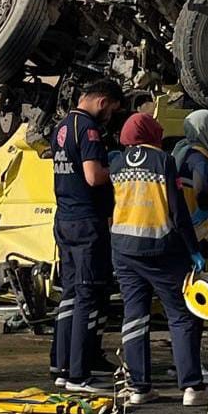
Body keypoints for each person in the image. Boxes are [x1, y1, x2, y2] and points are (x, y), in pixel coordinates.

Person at [111, 112, 208, 406]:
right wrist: (193, 250)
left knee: (134, 317)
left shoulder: (115, 163)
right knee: (180, 315)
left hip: (124, 251)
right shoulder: (164, 161)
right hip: (162, 250)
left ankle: (139, 387)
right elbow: (178, 212)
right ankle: (191, 387)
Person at [49, 78, 124, 394]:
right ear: (103, 101)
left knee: (69, 294)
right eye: (112, 110)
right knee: (88, 295)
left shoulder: (62, 126)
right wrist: (118, 169)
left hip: (64, 218)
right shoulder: (89, 130)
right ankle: (79, 376)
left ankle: (61, 365)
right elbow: (94, 176)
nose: (110, 117)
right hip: (86, 223)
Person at [174, 108, 208, 385]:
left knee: (182, 300)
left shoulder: (179, 151)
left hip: (182, 235)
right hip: (200, 238)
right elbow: (203, 187)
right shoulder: (201, 158)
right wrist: (203, 211)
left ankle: (182, 361)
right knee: (197, 301)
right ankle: (192, 363)